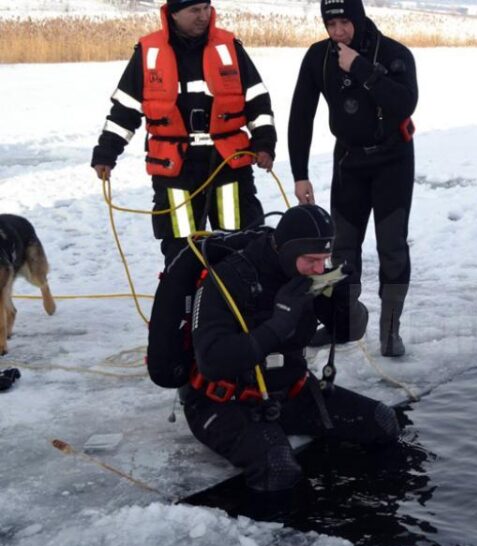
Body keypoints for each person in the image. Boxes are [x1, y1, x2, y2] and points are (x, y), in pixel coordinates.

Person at [180, 204, 398, 494]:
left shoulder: (310, 275)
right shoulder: (229, 279)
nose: (319, 268)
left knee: (383, 423)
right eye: (311, 260)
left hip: (290, 392)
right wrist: (277, 326)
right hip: (224, 403)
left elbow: (349, 332)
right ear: (286, 251)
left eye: (324, 259)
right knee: (277, 467)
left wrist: (347, 303)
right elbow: (211, 360)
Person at [91, 0, 277, 265]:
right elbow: (125, 111)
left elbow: (258, 102)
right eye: (194, 10)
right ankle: (184, 301)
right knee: (181, 249)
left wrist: (264, 144)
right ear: (174, 13)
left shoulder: (230, 47)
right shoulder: (148, 52)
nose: (203, 16)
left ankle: (236, 303)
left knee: (241, 243)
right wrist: (106, 153)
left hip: (226, 161)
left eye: (206, 8)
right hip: (174, 167)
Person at [288, 0, 418, 357]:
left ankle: (390, 332)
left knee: (392, 247)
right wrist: (300, 173)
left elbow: (405, 103)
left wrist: (362, 68)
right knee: (342, 248)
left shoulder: (394, 53)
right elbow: (301, 114)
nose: (338, 31)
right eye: (331, 25)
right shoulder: (319, 57)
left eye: (345, 22)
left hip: (393, 161)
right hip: (348, 161)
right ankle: (342, 325)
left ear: (358, 20)